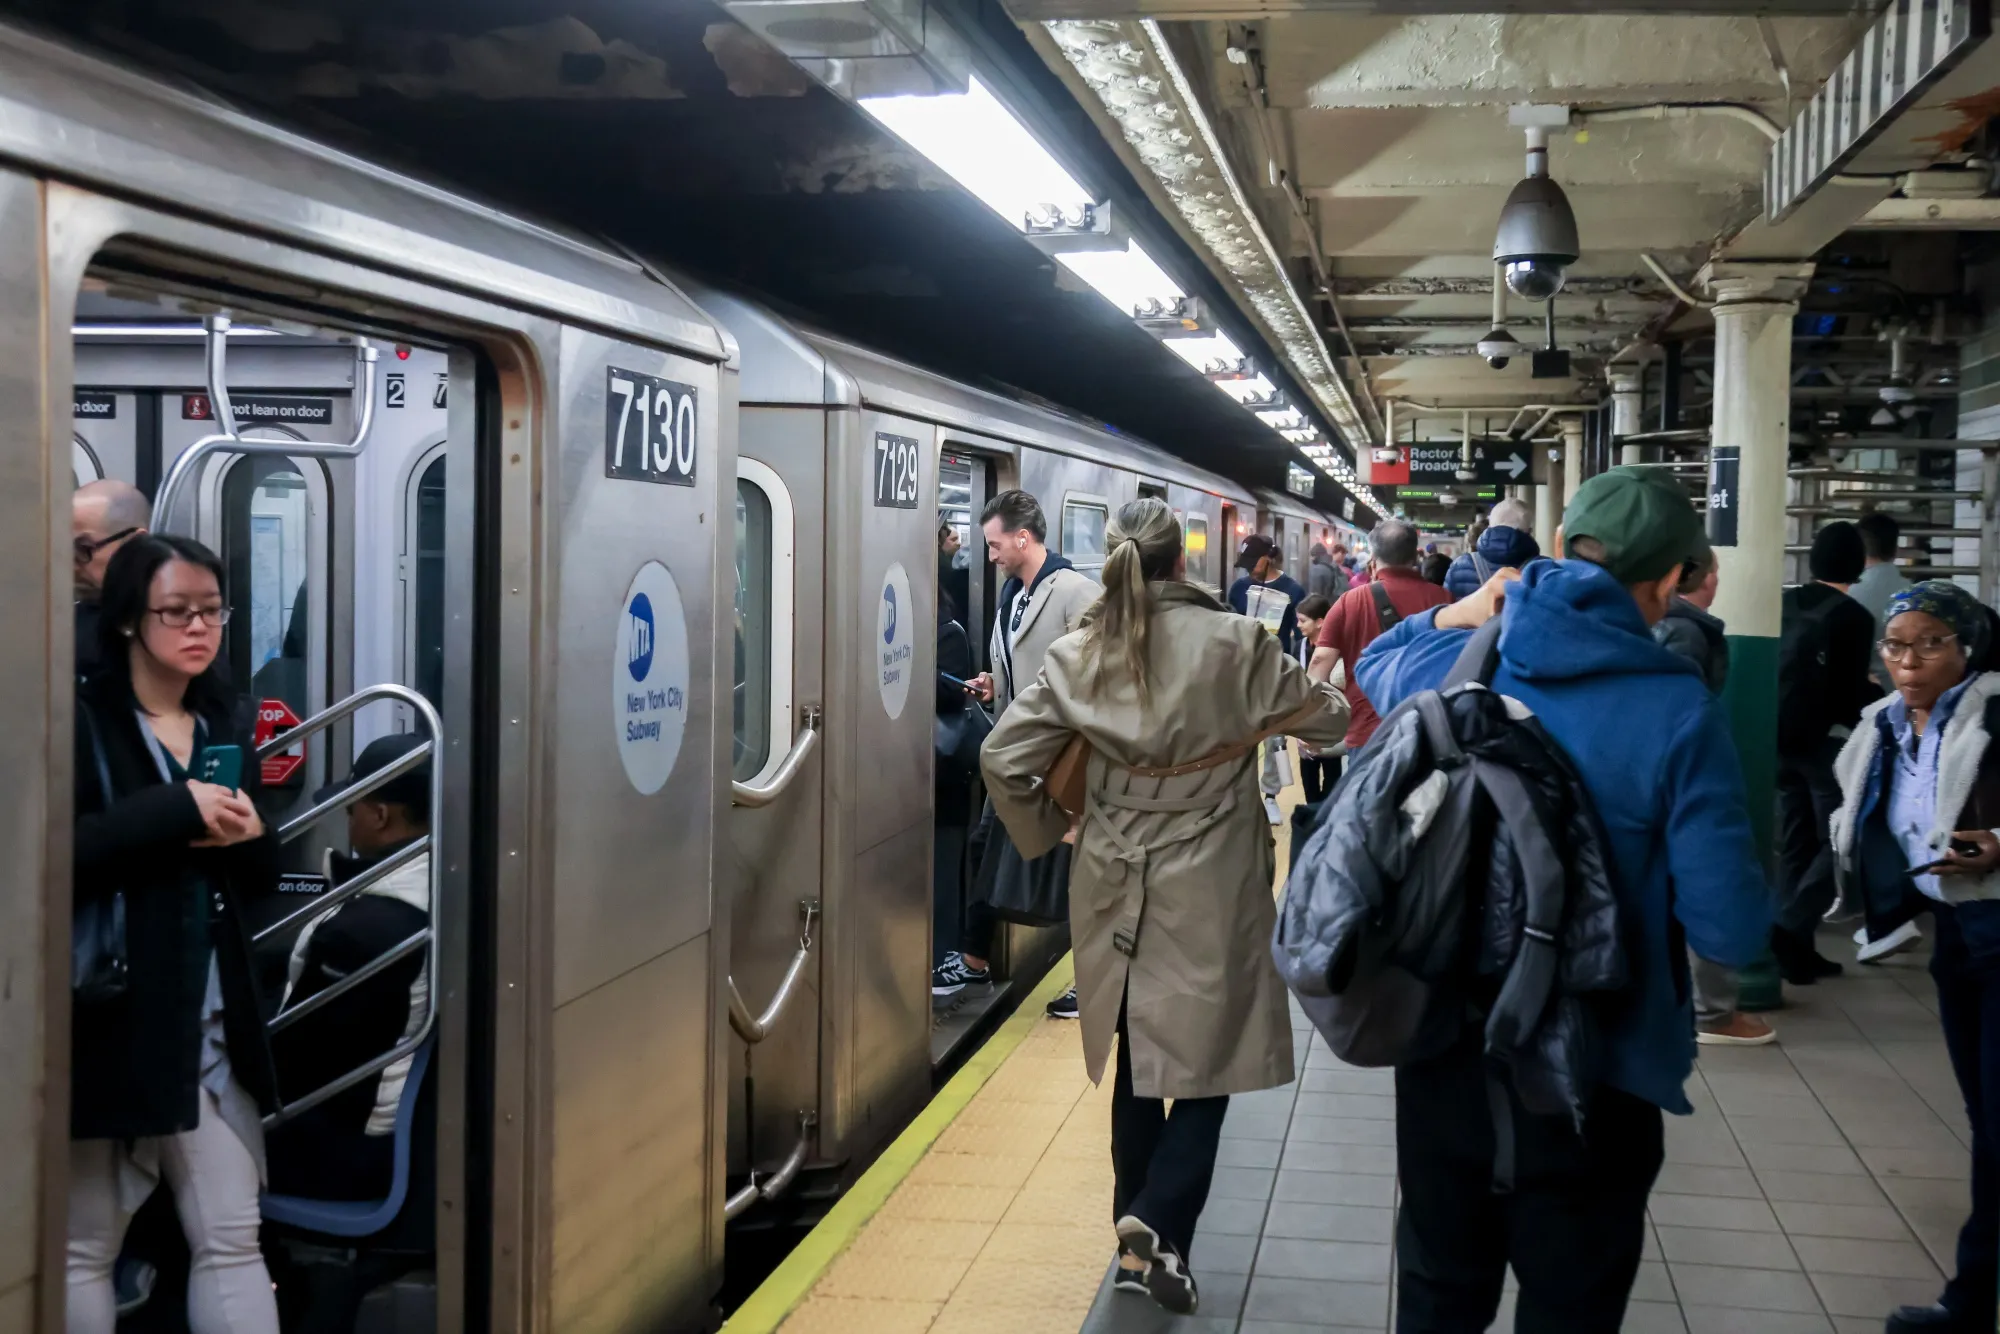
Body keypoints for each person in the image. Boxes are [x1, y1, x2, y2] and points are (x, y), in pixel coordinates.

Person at [1354, 468, 1769, 1333]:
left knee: (1438, 1289)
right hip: (1598, 1073)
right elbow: (1730, 931)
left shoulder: (1460, 657)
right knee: (1570, 1304)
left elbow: (1371, 661)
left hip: (1444, 1047)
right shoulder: (1679, 712)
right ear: (1667, 582)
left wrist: (1460, 613)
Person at [980, 497, 1348, 1315]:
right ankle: (1162, 1216)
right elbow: (1327, 720)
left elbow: (1004, 757)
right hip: (1214, 877)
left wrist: (1056, 829)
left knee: (1139, 1058)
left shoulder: (1082, 652)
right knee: (1212, 1060)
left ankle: (1140, 1248)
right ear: (1182, 563)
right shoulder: (1238, 643)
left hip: (1112, 874)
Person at [69, 533, 281, 1334]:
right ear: (129, 619)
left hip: (210, 1012)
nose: (198, 629)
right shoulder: (82, 717)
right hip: (112, 1007)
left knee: (232, 1232)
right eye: (176, 612)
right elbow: (52, 854)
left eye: (212, 612)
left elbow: (257, 877)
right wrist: (173, 810)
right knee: (83, 1242)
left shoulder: (220, 715)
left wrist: (252, 834)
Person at [1828, 581, 2000, 1334]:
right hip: (1957, 937)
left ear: (1969, 646)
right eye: (1896, 644)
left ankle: (1968, 1303)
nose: (1909, 660)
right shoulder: (1883, 725)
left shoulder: (1996, 714)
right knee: (1986, 1120)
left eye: (1931, 642)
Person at [946, 490, 1100, 1018]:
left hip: (1059, 762)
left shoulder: (1077, 594)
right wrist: (996, 684)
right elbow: (1028, 669)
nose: (989, 555)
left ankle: (1094, 981)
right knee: (985, 845)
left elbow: (1093, 680)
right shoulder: (1016, 594)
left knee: (1083, 871)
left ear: (1022, 538)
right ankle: (974, 958)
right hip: (1017, 761)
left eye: (993, 545)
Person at [266, 733, 433, 1203]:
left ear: (379, 816)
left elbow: (290, 1061)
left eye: (351, 806)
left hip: (343, 1152)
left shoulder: (363, 931)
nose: (347, 817)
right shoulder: (441, 891)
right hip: (390, 1136)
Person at [1652, 546, 1777, 1047]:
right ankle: (1713, 1011)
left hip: (1661, 778)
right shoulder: (1683, 631)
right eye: (1717, 572)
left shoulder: (1666, 624)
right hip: (1681, 779)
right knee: (1711, 876)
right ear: (1698, 580)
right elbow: (1675, 711)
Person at [1772, 522, 1880, 984]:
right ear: (1856, 566)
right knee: (1840, 836)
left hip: (1776, 740)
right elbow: (1845, 696)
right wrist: (1873, 696)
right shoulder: (1853, 617)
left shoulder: (1783, 603)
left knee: (1795, 841)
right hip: (1823, 746)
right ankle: (1792, 924)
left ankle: (1797, 947)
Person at [1307, 519, 1451, 761]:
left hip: (1367, 732)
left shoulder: (1349, 601)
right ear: (1415, 556)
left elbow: (1320, 661)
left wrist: (1309, 725)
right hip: (1428, 729)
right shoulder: (1443, 598)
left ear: (1372, 556)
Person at [1228, 535, 1308, 824]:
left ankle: (1270, 796)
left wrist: (1299, 674)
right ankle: (1241, 795)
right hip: (1241, 674)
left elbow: (1300, 637)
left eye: (1255, 562)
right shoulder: (1239, 589)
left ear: (1270, 557)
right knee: (1240, 737)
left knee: (1275, 739)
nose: (1250, 569)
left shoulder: (1292, 591)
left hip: (1274, 672)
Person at [931, 590, 980, 992]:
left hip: (945, 774)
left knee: (945, 870)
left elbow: (950, 693)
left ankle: (947, 952)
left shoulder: (950, 634)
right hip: (913, 773)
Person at [73, 478, 151, 681]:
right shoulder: (63, 623)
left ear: (135, 542)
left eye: (84, 549)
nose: (71, 565)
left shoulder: (169, 626)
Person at [1851, 511, 1911, 692]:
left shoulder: (1849, 596)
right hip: (1906, 694)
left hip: (1862, 697)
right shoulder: (1914, 594)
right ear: (1895, 549)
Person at [1443, 497, 1541, 602]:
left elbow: (1447, 609)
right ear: (1529, 531)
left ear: (1490, 526)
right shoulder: (1543, 568)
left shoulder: (1460, 566)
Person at [1293, 594, 1340, 804]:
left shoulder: (1338, 649)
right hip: (1306, 723)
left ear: (1320, 622)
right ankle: (1313, 817)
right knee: (1308, 777)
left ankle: (1326, 816)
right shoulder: (1300, 647)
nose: (1298, 625)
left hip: (1330, 721)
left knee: (1333, 774)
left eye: (1303, 620)